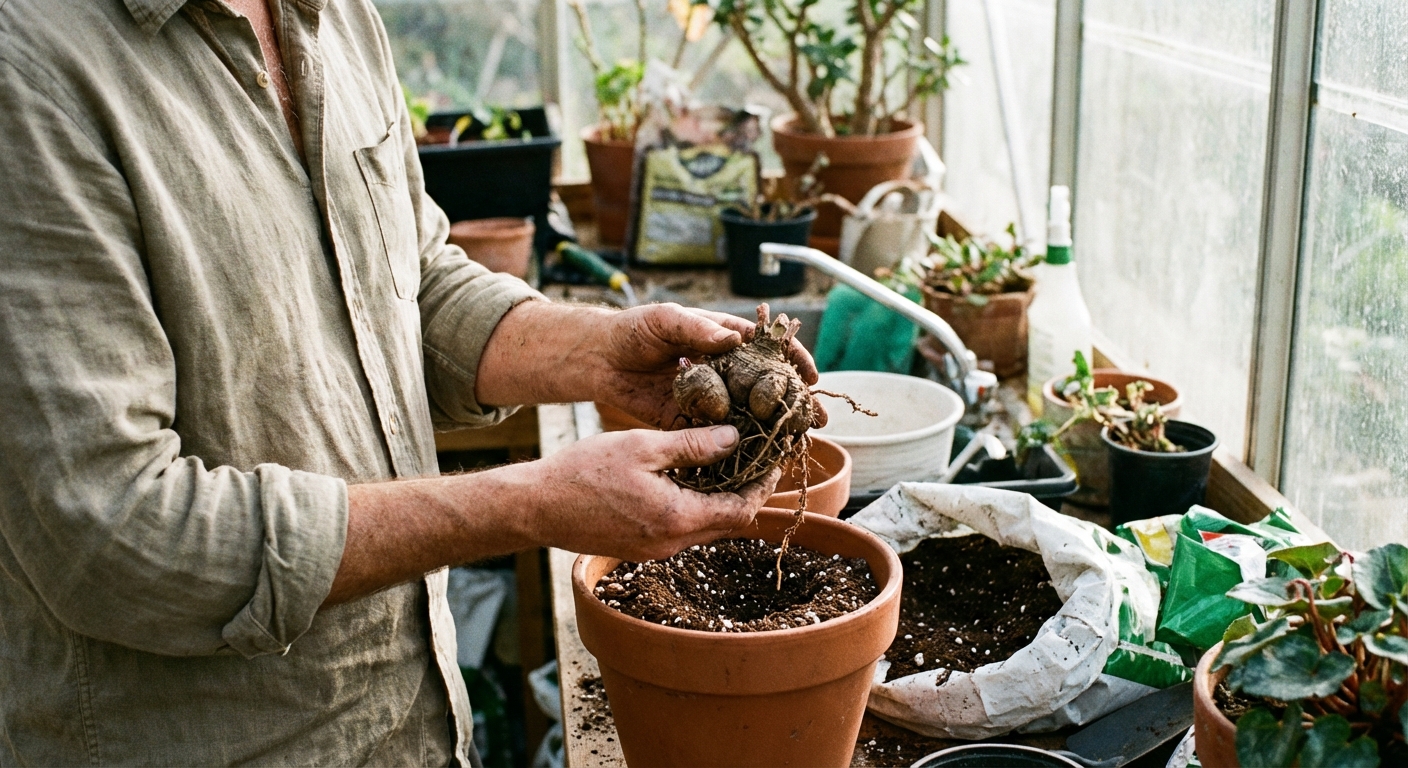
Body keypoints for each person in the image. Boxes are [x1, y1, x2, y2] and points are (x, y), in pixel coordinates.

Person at [0, 0, 815, 764]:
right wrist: (529, 503)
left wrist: (597, 349)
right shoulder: (30, 67)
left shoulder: (335, 15)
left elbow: (410, 280)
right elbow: (112, 532)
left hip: (410, 722)